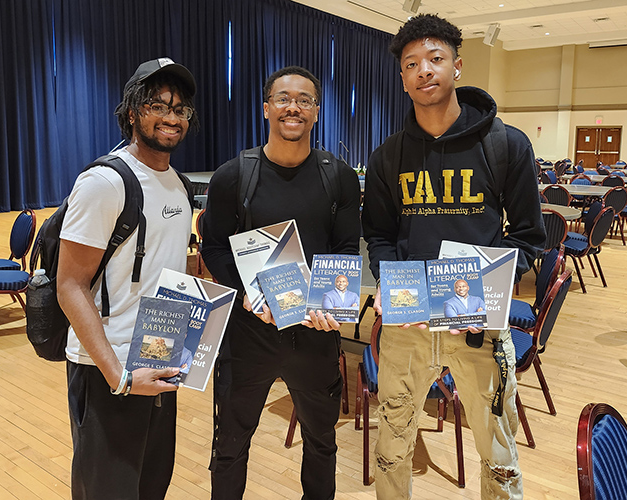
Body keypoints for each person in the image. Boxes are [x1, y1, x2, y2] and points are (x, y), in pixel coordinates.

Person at [361, 14, 545, 500]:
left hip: (478, 324)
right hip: (408, 326)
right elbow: (378, 235)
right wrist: (389, 282)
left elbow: (529, 238)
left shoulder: (506, 145)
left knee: (498, 452)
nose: (425, 70)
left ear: (458, 66)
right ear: (402, 79)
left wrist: (486, 293)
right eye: (412, 64)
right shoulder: (388, 157)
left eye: (436, 59)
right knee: (392, 446)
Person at [201, 66, 361, 500]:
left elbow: (346, 250)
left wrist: (332, 303)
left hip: (313, 336)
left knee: (322, 443)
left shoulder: (339, 176)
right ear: (267, 107)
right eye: (284, 98)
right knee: (230, 445)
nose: (294, 106)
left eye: (304, 100)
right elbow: (214, 248)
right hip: (248, 334)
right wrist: (253, 296)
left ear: (316, 112)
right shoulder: (234, 175)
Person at [57, 58, 198, 500]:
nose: (171, 117)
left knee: (151, 486)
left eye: (180, 109)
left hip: (160, 360)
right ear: (133, 111)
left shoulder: (180, 185)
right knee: (107, 491)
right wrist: (118, 375)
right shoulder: (105, 181)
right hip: (108, 371)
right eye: (158, 104)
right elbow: (69, 285)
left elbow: (171, 269)